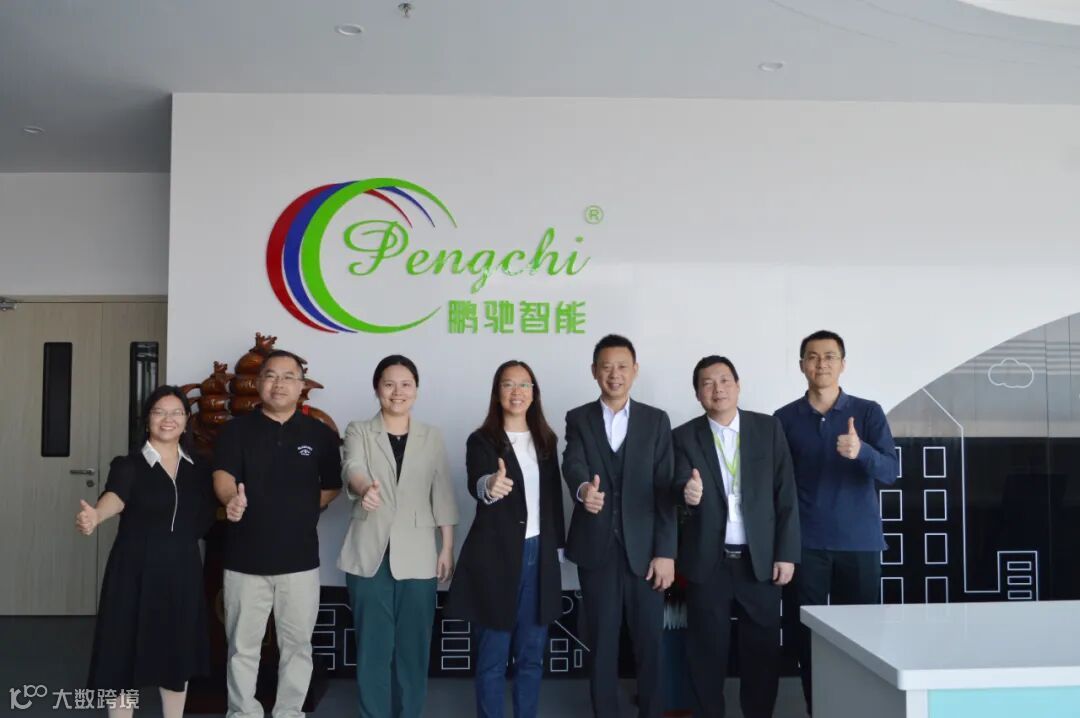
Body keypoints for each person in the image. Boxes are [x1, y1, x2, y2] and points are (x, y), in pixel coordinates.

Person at [774, 330, 898, 715]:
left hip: (859, 545)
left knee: (863, 639)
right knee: (807, 639)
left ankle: (861, 709)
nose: (821, 363)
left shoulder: (868, 412)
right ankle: (819, 708)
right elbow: (777, 486)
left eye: (829, 356)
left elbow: (891, 472)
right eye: (813, 357)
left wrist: (861, 452)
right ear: (801, 366)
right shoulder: (784, 418)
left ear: (843, 364)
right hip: (805, 546)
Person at [212, 349, 342, 718]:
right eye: (271, 375)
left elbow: (332, 485)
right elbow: (222, 475)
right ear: (259, 383)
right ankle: (242, 712)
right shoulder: (236, 430)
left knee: (297, 646)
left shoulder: (320, 434)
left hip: (299, 561)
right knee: (242, 647)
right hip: (244, 561)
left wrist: (302, 507)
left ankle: (289, 712)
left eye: (288, 377)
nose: (279, 383)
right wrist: (231, 500)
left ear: (301, 386)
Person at [77, 385, 217, 718]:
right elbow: (116, 496)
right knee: (122, 653)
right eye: (159, 412)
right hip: (133, 570)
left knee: (176, 655)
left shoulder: (199, 468)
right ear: (147, 420)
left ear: (187, 420)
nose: (168, 419)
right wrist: (96, 515)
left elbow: (208, 514)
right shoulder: (129, 465)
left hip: (182, 571)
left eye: (176, 413)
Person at [672, 356, 800, 718]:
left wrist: (786, 553)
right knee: (706, 652)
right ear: (697, 394)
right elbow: (675, 483)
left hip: (759, 560)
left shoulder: (768, 428)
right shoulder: (682, 436)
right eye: (708, 383)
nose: (718, 389)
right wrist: (686, 492)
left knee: (762, 653)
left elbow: (785, 493)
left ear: (738, 385)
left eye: (725, 380)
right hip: (708, 562)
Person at [337, 354, 459, 718]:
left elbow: (442, 492)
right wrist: (364, 489)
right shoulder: (359, 430)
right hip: (369, 552)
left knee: (414, 648)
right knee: (373, 647)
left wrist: (447, 547)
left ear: (416, 390)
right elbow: (352, 466)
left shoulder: (431, 436)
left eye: (406, 384)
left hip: (420, 553)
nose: (397, 391)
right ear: (377, 388)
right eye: (389, 384)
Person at [562, 334, 675, 718]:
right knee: (602, 644)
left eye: (622, 366)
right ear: (594, 371)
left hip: (646, 552)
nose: (614, 374)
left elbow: (664, 489)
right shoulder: (578, 418)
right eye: (606, 367)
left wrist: (665, 552)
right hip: (597, 549)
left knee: (650, 643)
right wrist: (582, 491)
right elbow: (573, 462)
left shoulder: (656, 420)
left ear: (635, 370)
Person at [446, 360, 567, 718]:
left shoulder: (546, 440)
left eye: (524, 384)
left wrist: (557, 550)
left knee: (531, 656)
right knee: (493, 658)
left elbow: (553, 500)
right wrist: (490, 485)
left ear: (534, 392)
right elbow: (478, 482)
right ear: (497, 392)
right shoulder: (482, 440)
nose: (517, 392)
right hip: (496, 559)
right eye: (508, 384)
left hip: (539, 555)